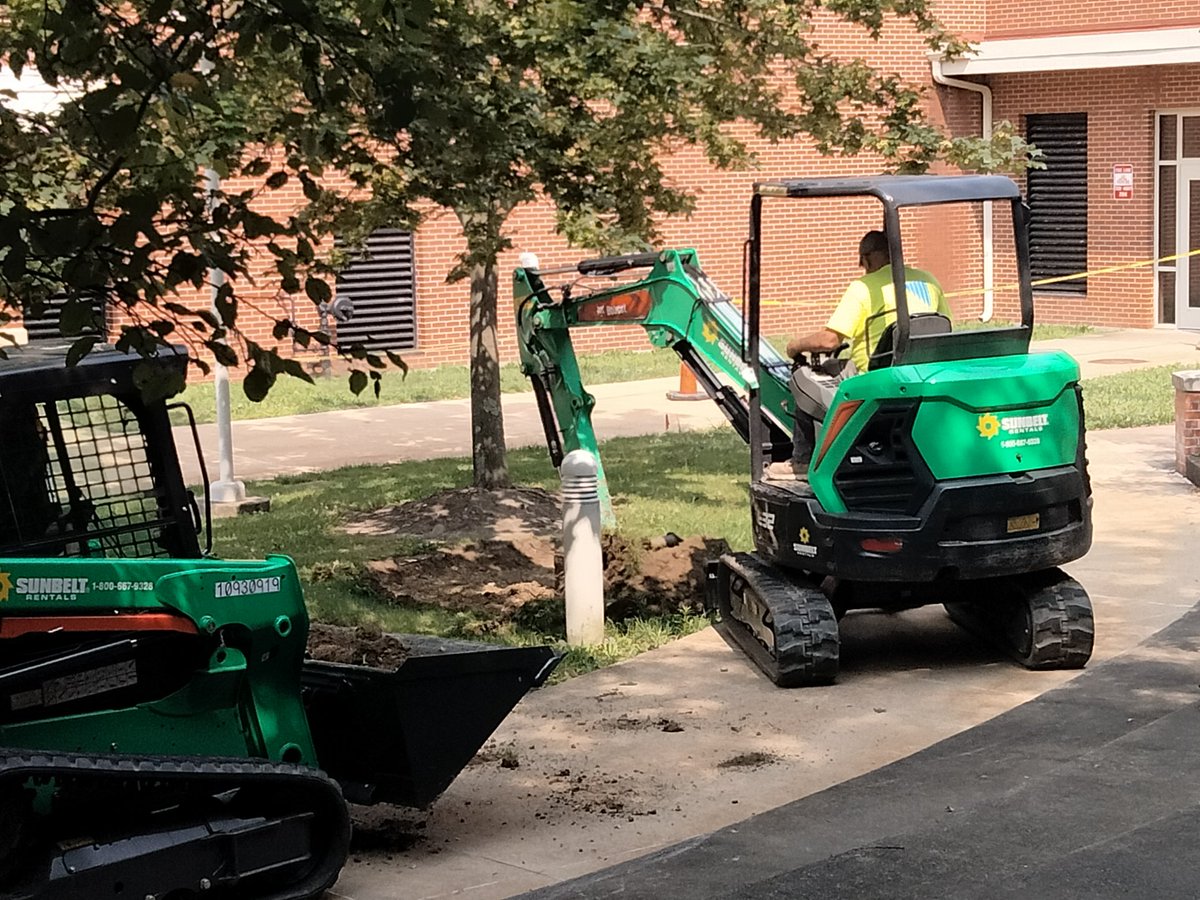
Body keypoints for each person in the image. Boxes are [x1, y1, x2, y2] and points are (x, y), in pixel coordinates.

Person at [768, 230, 948, 480]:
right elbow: (944, 325)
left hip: (876, 377)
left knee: (803, 378)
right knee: (836, 364)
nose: (861, 267)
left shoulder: (864, 288)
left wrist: (795, 345)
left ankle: (802, 459)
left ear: (870, 257)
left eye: (861, 261)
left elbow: (830, 339)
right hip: (923, 373)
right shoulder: (929, 281)